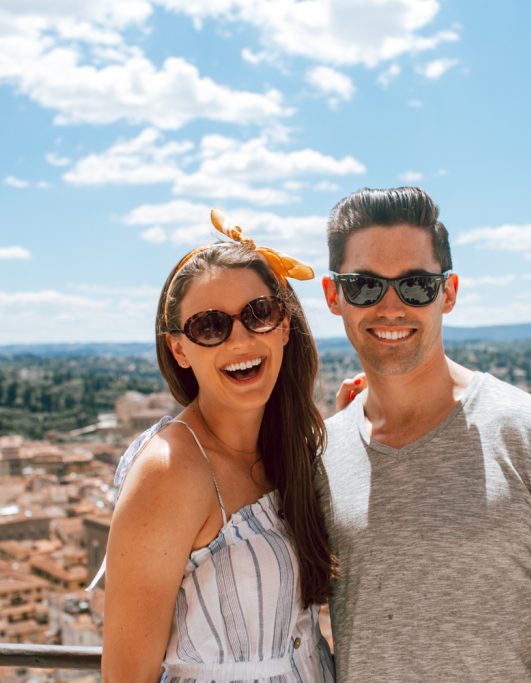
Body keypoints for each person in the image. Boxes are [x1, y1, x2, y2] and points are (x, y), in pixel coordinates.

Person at [317, 187, 531, 682]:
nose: (390, 306)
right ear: (334, 296)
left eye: (416, 285)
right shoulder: (322, 453)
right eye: (364, 285)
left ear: (447, 293)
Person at [97, 210, 336, 683]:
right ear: (179, 350)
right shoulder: (170, 472)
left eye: (259, 313)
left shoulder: (291, 451)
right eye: (210, 326)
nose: (241, 339)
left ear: (284, 325)